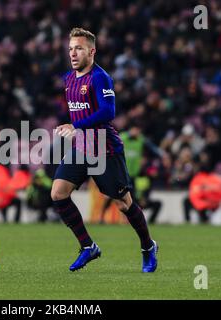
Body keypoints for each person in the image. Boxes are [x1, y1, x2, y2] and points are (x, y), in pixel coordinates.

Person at [52, 28, 158, 272]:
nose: (73, 53)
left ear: (92, 51)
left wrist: (75, 125)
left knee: (123, 203)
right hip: (83, 146)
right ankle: (88, 246)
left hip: (105, 148)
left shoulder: (100, 78)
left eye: (79, 48)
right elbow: (79, 110)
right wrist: (71, 127)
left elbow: (108, 112)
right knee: (58, 193)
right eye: (70, 49)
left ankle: (147, 246)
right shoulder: (69, 79)